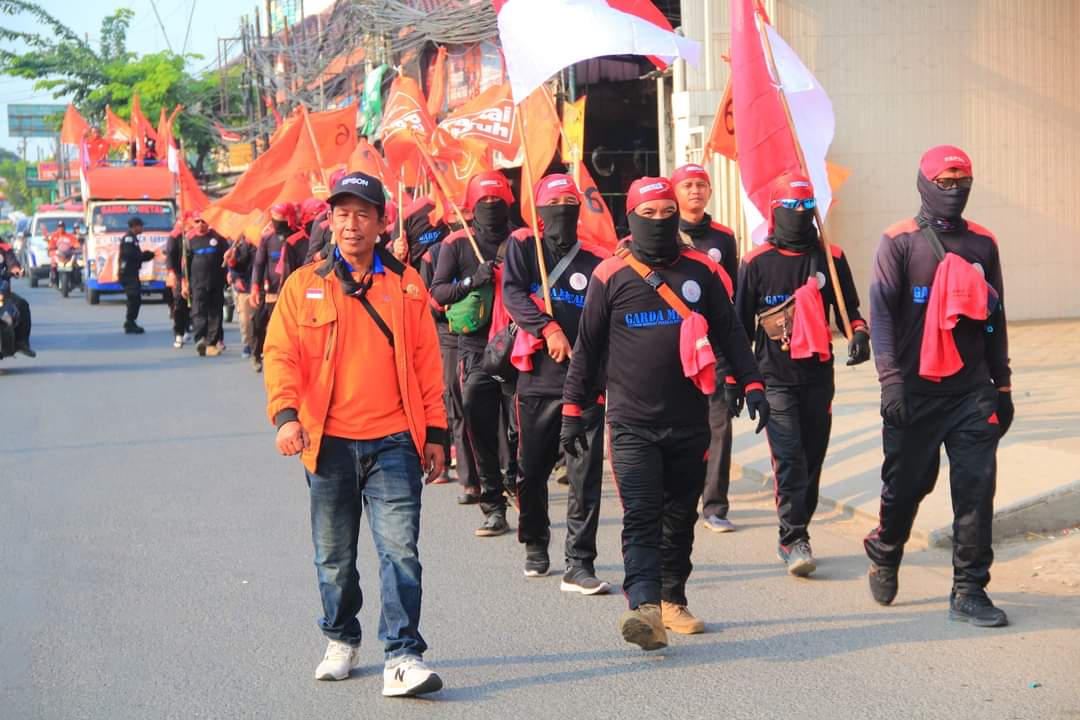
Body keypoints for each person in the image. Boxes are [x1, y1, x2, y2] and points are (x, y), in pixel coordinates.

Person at [563, 177, 768, 650]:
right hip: (631, 424)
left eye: (666, 212)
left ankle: (673, 598)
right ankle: (645, 608)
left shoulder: (701, 271)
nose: (659, 221)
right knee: (641, 515)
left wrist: (753, 383)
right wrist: (573, 410)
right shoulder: (609, 275)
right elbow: (587, 350)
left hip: (690, 420)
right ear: (631, 218)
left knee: (679, 516)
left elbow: (731, 333)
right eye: (648, 213)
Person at [263, 171, 448, 696]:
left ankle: (403, 656)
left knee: (400, 551)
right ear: (330, 220)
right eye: (342, 214)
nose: (351, 224)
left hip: (395, 441)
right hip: (327, 443)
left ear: (381, 223)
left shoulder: (406, 284)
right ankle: (341, 637)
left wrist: (436, 432)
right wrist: (286, 416)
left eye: (362, 214)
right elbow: (280, 355)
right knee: (334, 557)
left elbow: (426, 362)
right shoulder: (304, 285)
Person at [864, 145, 1012, 627]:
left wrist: (1003, 386)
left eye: (962, 182)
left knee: (975, 491)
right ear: (924, 183)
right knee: (906, 487)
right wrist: (890, 382)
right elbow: (882, 318)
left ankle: (969, 589)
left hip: (971, 392)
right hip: (914, 391)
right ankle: (887, 548)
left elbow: (994, 319)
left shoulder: (983, 243)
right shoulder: (898, 241)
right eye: (944, 182)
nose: (954, 190)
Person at [735, 172, 870, 577]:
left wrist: (859, 334)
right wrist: (738, 380)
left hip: (818, 376)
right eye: (791, 205)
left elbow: (849, 310)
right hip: (774, 377)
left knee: (811, 460)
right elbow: (739, 327)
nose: (800, 212)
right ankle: (792, 538)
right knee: (790, 459)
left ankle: (800, 527)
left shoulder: (831, 256)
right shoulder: (756, 262)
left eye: (806, 205)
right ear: (775, 210)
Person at [502, 173, 612, 592]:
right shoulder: (524, 246)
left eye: (570, 202)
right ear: (540, 211)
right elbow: (513, 294)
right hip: (536, 381)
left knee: (584, 478)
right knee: (532, 471)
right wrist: (547, 328)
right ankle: (535, 541)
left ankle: (579, 562)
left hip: (585, 384)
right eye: (554, 204)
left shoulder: (597, 259)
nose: (562, 210)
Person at [429, 171, 515, 537]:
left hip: (518, 348)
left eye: (497, 200)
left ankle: (520, 487)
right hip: (476, 350)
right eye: (484, 201)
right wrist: (472, 281)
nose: (491, 207)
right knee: (480, 427)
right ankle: (493, 506)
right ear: (472, 206)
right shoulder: (456, 244)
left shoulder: (524, 240)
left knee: (520, 430)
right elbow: (438, 292)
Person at [671, 163, 741, 534]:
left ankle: (714, 505)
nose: (695, 191)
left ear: (710, 191)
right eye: (687, 185)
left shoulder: (724, 238)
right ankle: (675, 497)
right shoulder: (661, 230)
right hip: (672, 345)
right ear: (675, 192)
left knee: (719, 425)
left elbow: (732, 295)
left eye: (701, 185)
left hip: (714, 347)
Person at [250, 203, 297, 372]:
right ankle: (256, 354)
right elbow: (259, 264)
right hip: (269, 289)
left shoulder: (297, 238)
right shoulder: (267, 238)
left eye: (281, 219)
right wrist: (255, 287)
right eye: (275, 218)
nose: (277, 223)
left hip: (291, 290)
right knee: (258, 321)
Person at [181, 213, 228, 356]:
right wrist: (184, 284)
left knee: (215, 313)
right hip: (197, 284)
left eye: (203, 221)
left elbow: (228, 258)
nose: (201, 224)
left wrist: (229, 273)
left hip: (216, 282)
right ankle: (200, 340)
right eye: (197, 221)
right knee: (198, 312)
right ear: (193, 223)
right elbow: (185, 266)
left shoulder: (218, 238)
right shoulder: (189, 240)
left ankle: (212, 343)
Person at [118, 217, 159, 334]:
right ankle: (129, 322)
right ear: (135, 226)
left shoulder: (133, 238)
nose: (142, 228)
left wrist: (146, 255)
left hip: (132, 272)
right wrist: (145, 255)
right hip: (128, 273)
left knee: (135, 298)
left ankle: (130, 321)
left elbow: (135, 255)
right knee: (134, 297)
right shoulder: (129, 239)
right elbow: (130, 254)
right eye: (141, 226)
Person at [0, 237, 35, 356]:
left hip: (3, 292)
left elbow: (12, 262)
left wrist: (15, 269)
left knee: (22, 305)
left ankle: (22, 342)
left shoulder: (5, 248)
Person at [225, 233, 257, 357]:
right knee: (245, 319)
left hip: (264, 286)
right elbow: (237, 266)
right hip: (245, 286)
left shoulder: (266, 240)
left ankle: (261, 345)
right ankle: (248, 344)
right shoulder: (237, 244)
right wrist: (232, 265)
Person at [165, 219, 191, 349]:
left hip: (195, 275)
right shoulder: (175, 236)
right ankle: (179, 333)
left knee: (195, 306)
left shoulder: (194, 235)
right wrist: (172, 273)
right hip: (179, 275)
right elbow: (170, 256)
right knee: (180, 303)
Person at [47, 221, 77, 288]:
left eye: (62, 226)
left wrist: (75, 246)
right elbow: (50, 245)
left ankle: (74, 280)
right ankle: (54, 280)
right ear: (57, 227)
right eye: (59, 226)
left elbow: (75, 243)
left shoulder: (69, 236)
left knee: (76, 264)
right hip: (58, 255)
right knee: (53, 264)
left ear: (64, 227)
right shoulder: (54, 236)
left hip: (68, 254)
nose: (61, 228)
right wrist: (51, 248)